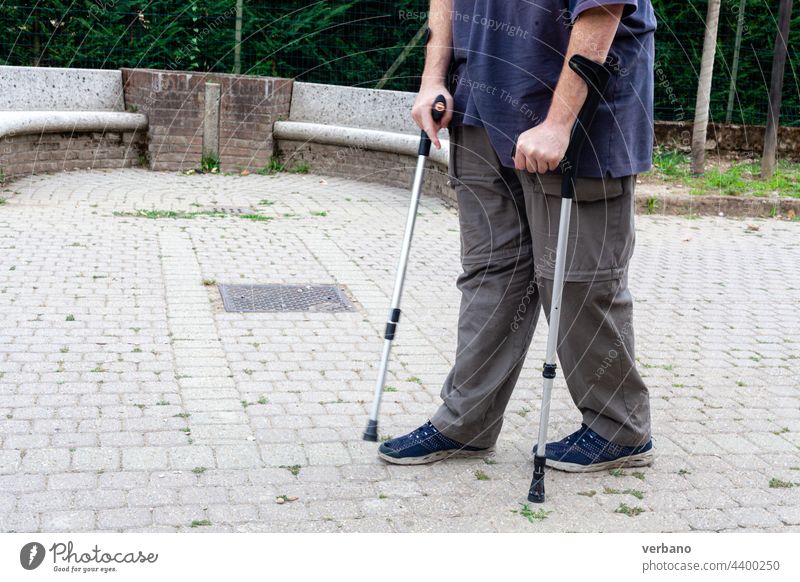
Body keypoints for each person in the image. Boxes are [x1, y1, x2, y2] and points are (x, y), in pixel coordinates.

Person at [378, 0, 656, 472]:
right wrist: (433, 79)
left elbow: (602, 8)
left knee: (577, 280)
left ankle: (620, 428)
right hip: (481, 104)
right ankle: (466, 422)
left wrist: (558, 122)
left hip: (579, 112)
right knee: (491, 273)